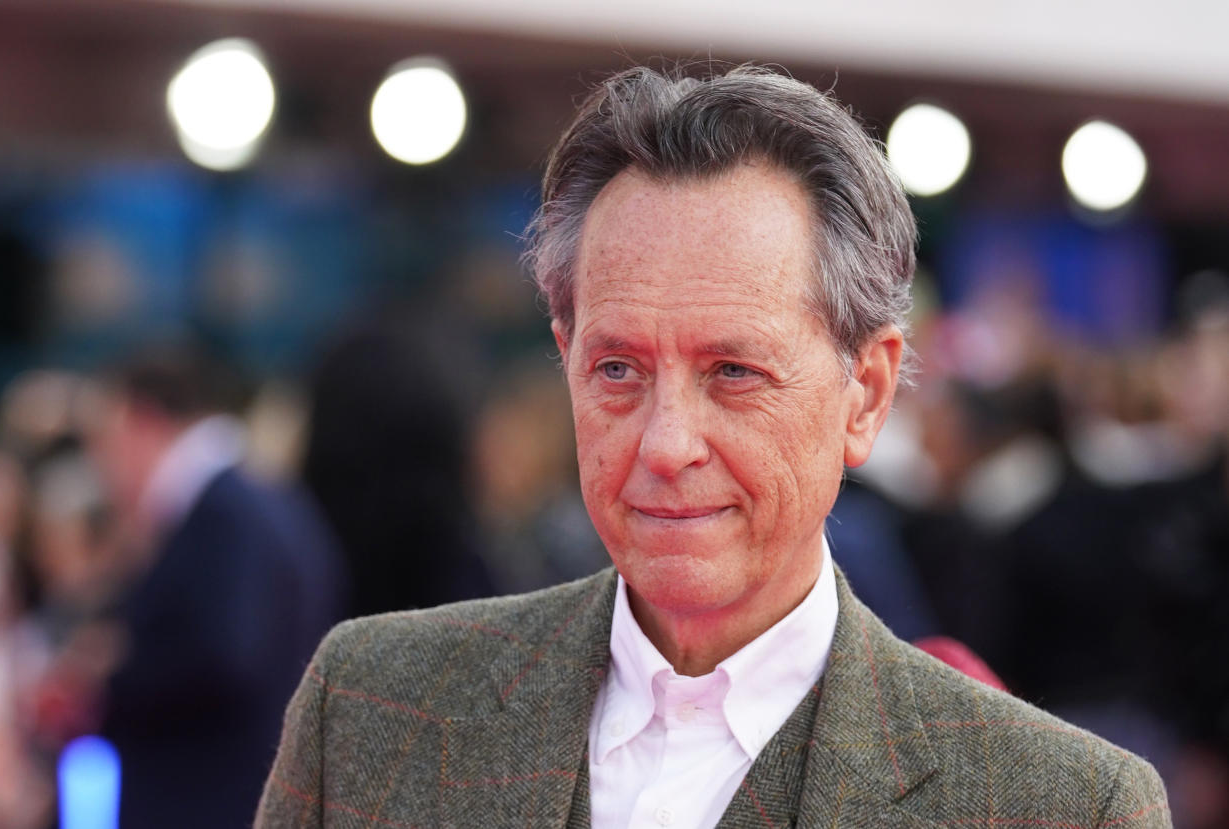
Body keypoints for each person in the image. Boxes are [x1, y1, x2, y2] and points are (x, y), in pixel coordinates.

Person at [255, 64, 1170, 828]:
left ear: (868, 393)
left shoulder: (1061, 807)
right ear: (565, 361)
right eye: (618, 369)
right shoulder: (369, 709)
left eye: (733, 370)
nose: (665, 442)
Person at [89, 347, 346, 829]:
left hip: (211, 803)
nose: (101, 465)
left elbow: (224, 656)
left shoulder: (225, 514)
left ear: (141, 421)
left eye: (105, 439)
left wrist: (106, 681)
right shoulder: (252, 502)